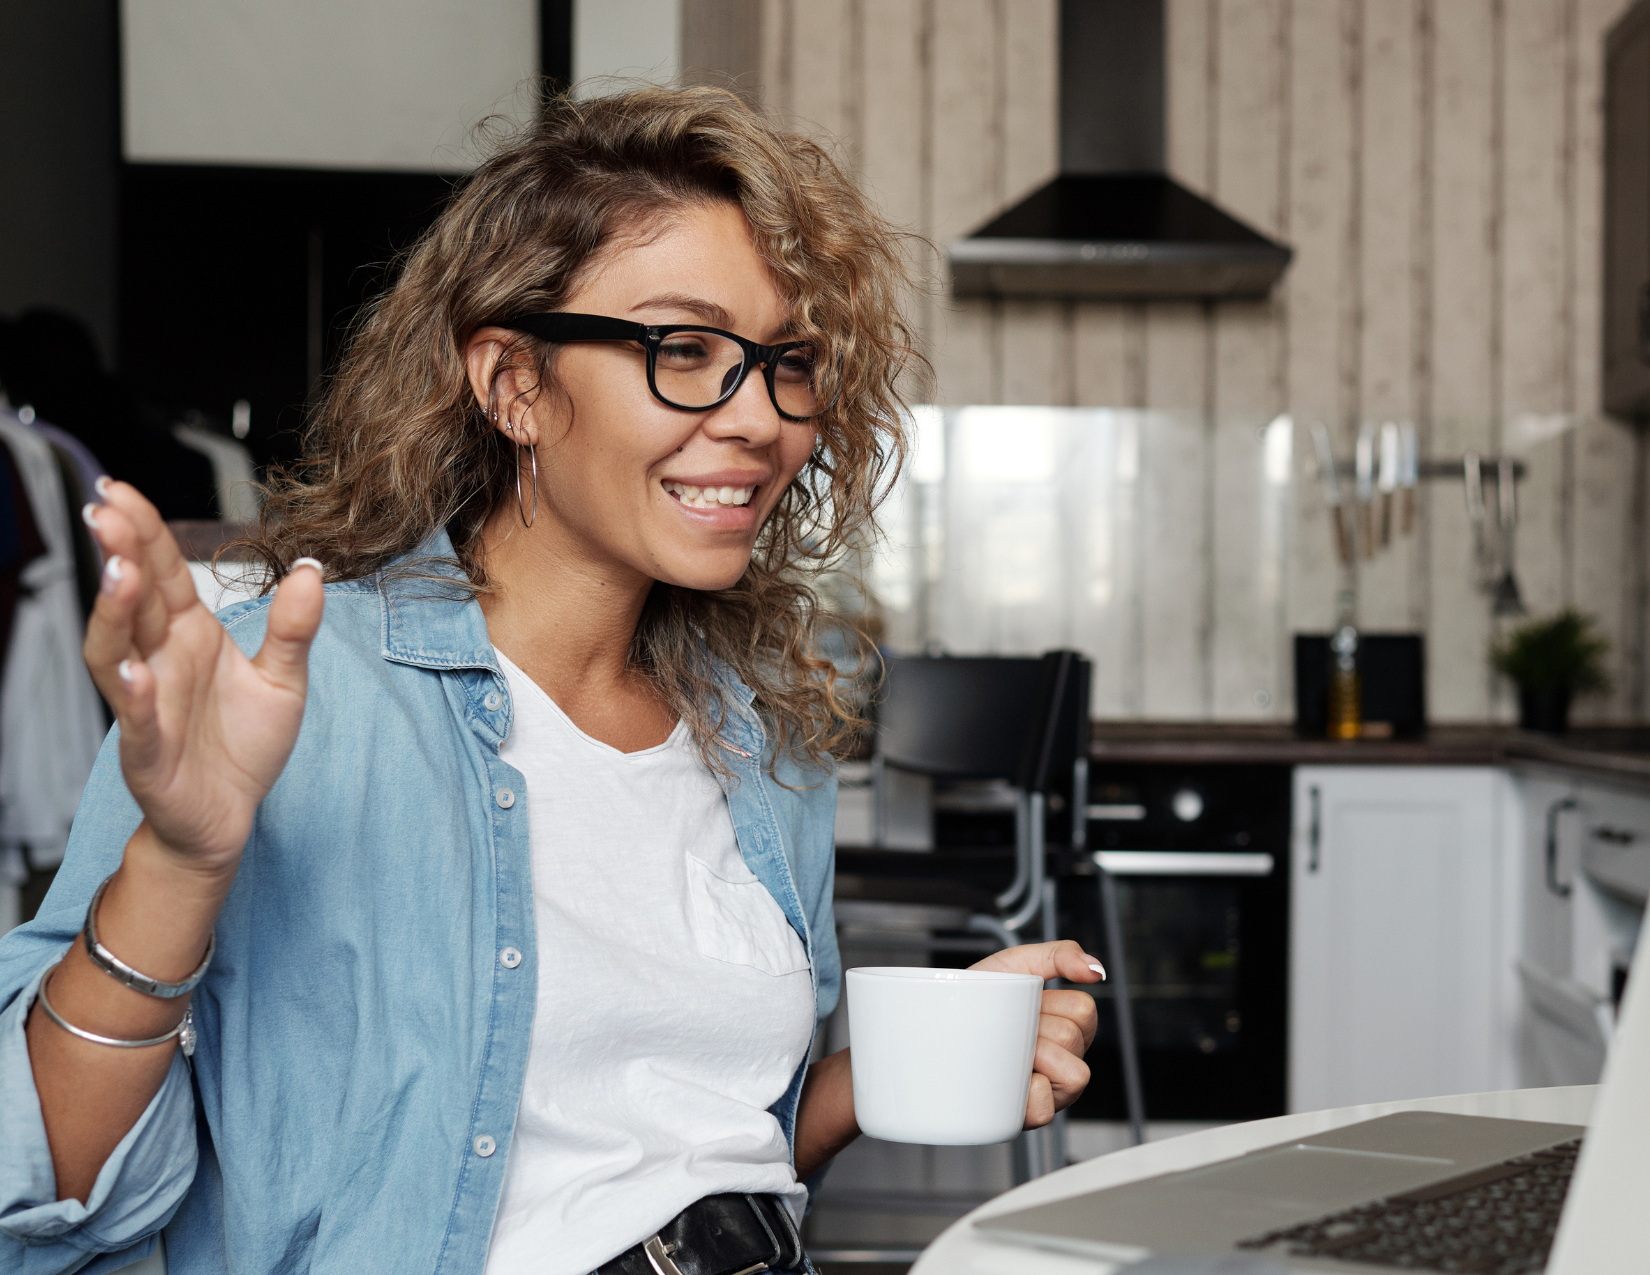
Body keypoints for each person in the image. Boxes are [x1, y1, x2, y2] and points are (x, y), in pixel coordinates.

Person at [0, 87, 1101, 1274]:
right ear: (512, 383)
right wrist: (182, 861)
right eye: (685, 350)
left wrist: (872, 1079)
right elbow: (41, 1194)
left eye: (790, 363)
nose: (759, 419)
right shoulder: (287, 692)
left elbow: (701, 1143)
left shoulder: (763, 739)